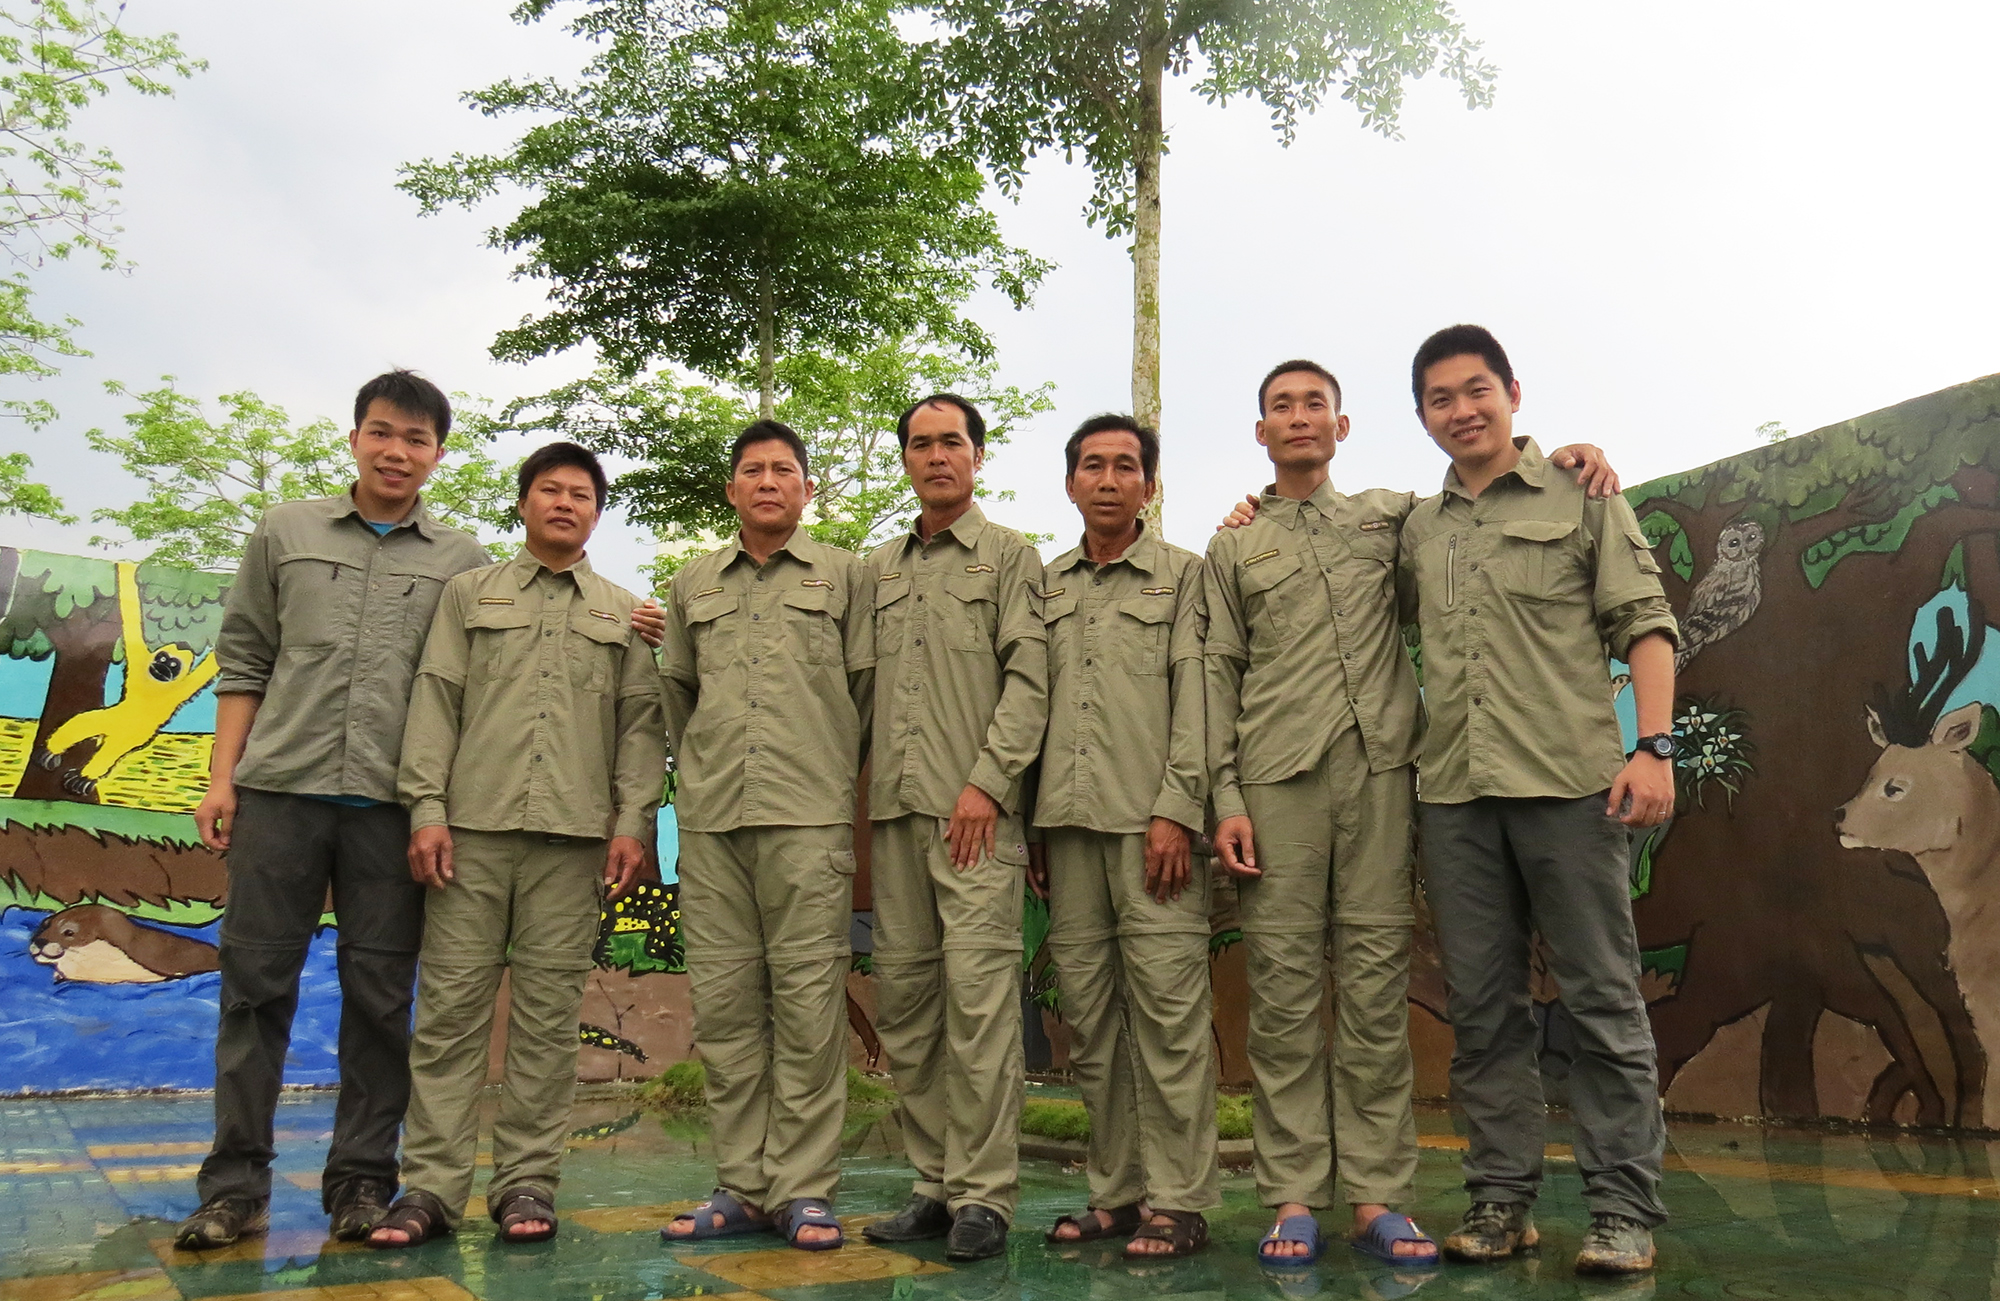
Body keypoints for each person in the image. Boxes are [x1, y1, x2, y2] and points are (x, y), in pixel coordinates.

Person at [1207, 364, 1623, 1270]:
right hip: (1277, 779)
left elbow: (1482, 513)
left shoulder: (1395, 518)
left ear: (1344, 425)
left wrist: (1566, 456)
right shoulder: (1233, 545)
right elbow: (1217, 674)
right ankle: (1291, 1194)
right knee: (1280, 996)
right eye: (1282, 406)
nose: (1300, 418)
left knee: (1372, 990)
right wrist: (1225, 797)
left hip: (1386, 776)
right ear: (1260, 431)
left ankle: (1377, 1195)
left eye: (1316, 403)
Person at [175, 372, 500, 1249]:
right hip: (280, 793)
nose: (398, 452)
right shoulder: (286, 531)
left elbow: (481, 679)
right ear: (355, 436)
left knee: (381, 999)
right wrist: (222, 778)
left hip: (392, 810)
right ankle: (234, 1185)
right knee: (254, 991)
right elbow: (243, 656)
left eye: (418, 439)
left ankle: (361, 1180)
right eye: (383, 433)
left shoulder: (462, 559)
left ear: (439, 454)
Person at [1399, 325, 1676, 1275]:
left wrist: (1654, 747)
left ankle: (1622, 1211)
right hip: (1457, 798)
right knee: (1481, 1011)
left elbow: (1645, 624)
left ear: (1513, 391)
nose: (1462, 410)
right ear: (1423, 415)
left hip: (1570, 785)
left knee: (1602, 999)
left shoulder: (1583, 491)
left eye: (1477, 389)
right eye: (1440, 398)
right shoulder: (1415, 526)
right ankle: (1500, 1200)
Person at [368, 441, 665, 1248]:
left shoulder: (622, 611)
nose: (565, 503)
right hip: (469, 835)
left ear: (598, 512)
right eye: (549, 490)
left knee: (545, 1019)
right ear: (525, 502)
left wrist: (633, 821)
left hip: (572, 846)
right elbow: (436, 699)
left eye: (581, 494)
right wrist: (425, 807)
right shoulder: (471, 594)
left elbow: (641, 729)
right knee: (452, 1015)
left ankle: (528, 1181)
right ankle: (428, 1185)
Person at [656, 421, 873, 1252]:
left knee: (811, 1002)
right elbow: (678, 696)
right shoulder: (691, 585)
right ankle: (741, 1183)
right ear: (732, 489)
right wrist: (706, 777)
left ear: (807, 489)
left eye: (785, 469)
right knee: (726, 1005)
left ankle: (804, 1188)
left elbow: (866, 693)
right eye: (753, 469)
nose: (769, 481)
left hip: (809, 818)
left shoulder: (844, 577)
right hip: (712, 824)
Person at [857, 393, 1047, 1263]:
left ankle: (985, 1195)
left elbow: (1029, 682)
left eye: (953, 443)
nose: (938, 456)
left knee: (978, 1009)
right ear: (906, 459)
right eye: (922, 444)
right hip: (894, 817)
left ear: (978, 457)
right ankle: (932, 1183)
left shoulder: (1010, 558)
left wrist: (987, 783)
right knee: (910, 1006)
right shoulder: (877, 571)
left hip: (974, 818)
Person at [1030, 415, 1217, 1260]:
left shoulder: (1185, 577)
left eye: (1126, 466)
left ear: (1150, 484)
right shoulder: (1043, 584)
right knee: (1094, 1024)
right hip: (1064, 834)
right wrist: (1030, 819)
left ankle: (1179, 1198)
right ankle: (1117, 1191)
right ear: (1070, 482)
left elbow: (1200, 698)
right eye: (1092, 466)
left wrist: (1178, 806)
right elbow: (1026, 705)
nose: (1108, 479)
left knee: (1171, 1020)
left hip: (1154, 833)